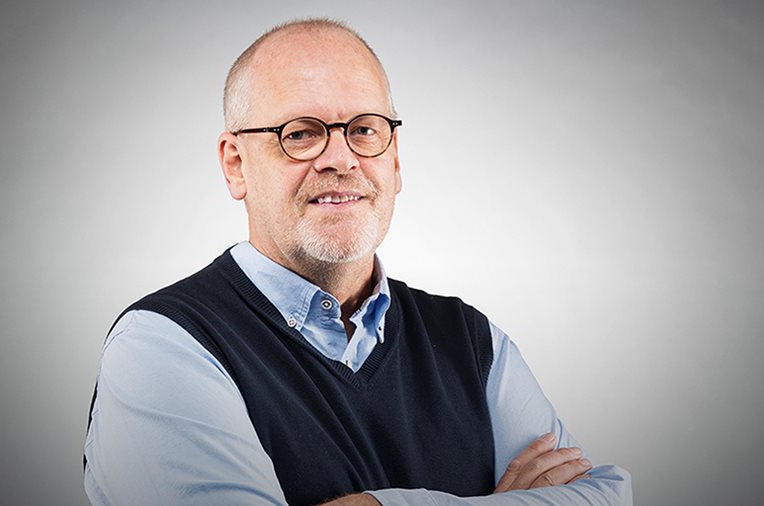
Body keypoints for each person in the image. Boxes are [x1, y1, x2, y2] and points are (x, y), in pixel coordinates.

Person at [83, 18, 633, 505]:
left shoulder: (472, 342)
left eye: (365, 130)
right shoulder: (164, 344)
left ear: (395, 160)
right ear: (236, 164)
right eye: (300, 134)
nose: (341, 159)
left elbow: (606, 496)